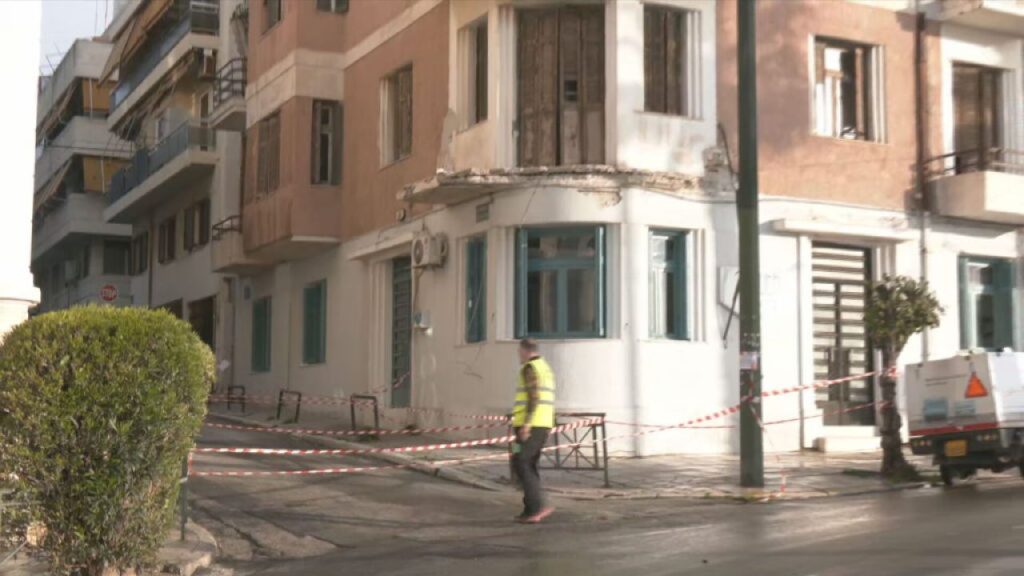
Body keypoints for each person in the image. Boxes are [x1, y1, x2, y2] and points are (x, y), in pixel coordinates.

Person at [511, 338, 555, 524]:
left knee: (522, 462)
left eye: (519, 352)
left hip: (531, 425)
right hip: (542, 423)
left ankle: (537, 507)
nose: (518, 356)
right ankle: (530, 509)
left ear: (524, 350)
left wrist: (527, 425)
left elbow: (534, 397)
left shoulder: (530, 368)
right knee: (524, 462)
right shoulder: (546, 368)